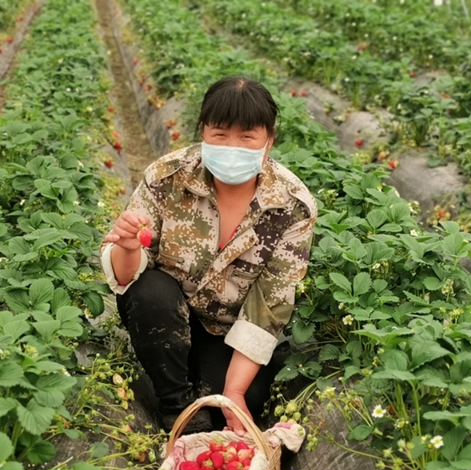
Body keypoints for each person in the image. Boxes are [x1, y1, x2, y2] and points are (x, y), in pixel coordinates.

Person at [101, 76, 317, 435]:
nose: (233, 146)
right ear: (203, 132)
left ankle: (197, 389)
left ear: (269, 142)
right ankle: (176, 407)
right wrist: (128, 248)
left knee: (246, 397)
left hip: (228, 330)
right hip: (168, 313)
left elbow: (269, 306)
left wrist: (234, 391)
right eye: (220, 134)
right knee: (150, 291)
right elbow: (127, 280)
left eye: (247, 137)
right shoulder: (167, 178)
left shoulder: (291, 207)